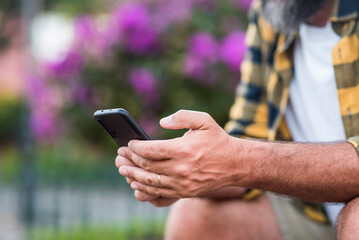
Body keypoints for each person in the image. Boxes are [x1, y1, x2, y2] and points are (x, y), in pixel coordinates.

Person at [115, 0, 359, 239]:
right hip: (311, 209)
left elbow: (242, 160)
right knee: (195, 218)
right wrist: (186, 172)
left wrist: (236, 160)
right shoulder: (271, 10)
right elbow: (247, 144)